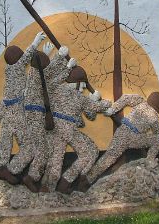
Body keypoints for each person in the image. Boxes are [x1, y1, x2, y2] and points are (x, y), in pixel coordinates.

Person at [40, 66, 111, 194]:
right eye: (83, 85)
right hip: (68, 130)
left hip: (57, 129)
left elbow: (90, 114)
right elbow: (95, 107)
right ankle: (65, 183)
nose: (83, 88)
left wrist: (91, 102)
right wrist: (105, 103)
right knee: (87, 154)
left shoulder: (58, 90)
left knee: (55, 160)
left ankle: (47, 188)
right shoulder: (78, 97)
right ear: (77, 83)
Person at [78, 92, 159, 192]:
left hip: (122, 132)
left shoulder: (140, 101)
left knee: (107, 158)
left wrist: (113, 109)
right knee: (157, 139)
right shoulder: (154, 118)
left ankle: (87, 179)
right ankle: (149, 163)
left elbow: (125, 98)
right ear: (158, 107)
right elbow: (157, 133)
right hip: (135, 137)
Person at [0, 31, 46, 184]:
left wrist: (42, 58)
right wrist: (35, 44)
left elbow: (31, 74)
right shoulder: (15, 68)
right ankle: (11, 170)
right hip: (15, 112)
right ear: (17, 58)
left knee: (5, 142)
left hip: (9, 111)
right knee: (29, 147)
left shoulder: (12, 71)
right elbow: (24, 59)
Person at [22, 45, 76, 192]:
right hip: (35, 115)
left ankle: (38, 179)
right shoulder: (38, 75)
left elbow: (48, 75)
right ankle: (31, 178)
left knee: (45, 149)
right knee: (43, 149)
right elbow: (50, 76)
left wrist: (54, 58)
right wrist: (62, 60)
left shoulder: (34, 74)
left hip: (37, 114)